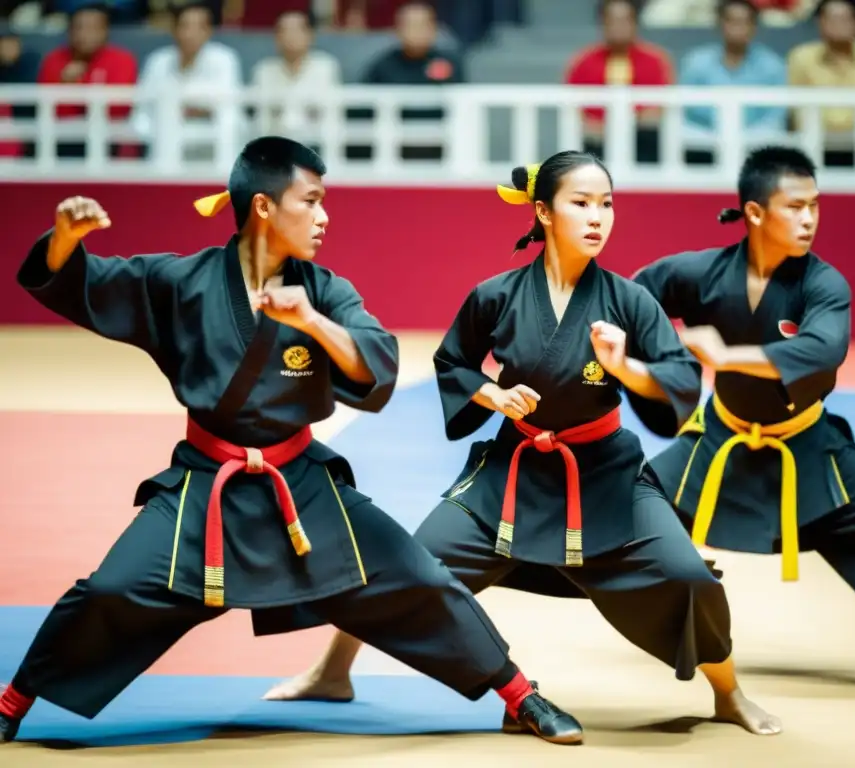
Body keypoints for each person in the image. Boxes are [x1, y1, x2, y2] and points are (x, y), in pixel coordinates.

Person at [0, 136, 583, 746]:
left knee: (421, 578)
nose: (324, 216)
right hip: (207, 487)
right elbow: (84, 283)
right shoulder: (182, 282)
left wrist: (310, 322)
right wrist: (66, 238)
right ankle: (14, 700)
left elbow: (376, 366)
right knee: (112, 591)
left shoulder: (325, 291)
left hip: (302, 486)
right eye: (311, 201)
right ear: (263, 208)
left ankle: (520, 695)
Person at [263, 150, 784, 737]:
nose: (597, 218)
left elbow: (681, 383)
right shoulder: (497, 294)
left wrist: (627, 367)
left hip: (605, 476)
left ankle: (729, 692)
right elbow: (452, 361)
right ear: (542, 212)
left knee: (687, 577)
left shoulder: (629, 301)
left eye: (607, 204)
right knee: (408, 561)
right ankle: (334, 671)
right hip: (512, 476)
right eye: (580, 203)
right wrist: (490, 394)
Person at [632, 145, 855, 691]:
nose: (809, 219)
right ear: (755, 213)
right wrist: (661, 357)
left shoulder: (823, 284)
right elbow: (631, 296)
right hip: (720, 440)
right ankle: (658, 617)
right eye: (795, 207)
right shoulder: (700, 272)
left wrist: (725, 357)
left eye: (815, 207)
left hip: (808, 446)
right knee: (633, 502)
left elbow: (823, 350)